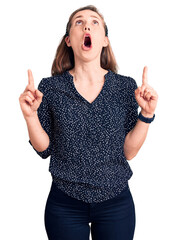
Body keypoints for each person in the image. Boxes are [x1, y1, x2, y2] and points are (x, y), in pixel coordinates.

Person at [19, 5, 158, 240]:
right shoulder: (50, 88)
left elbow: (129, 152)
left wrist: (146, 115)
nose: (87, 25)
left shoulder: (125, 87)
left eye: (95, 22)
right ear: (69, 41)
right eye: (78, 22)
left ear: (104, 40)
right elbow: (44, 149)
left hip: (116, 203)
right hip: (65, 204)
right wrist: (30, 117)